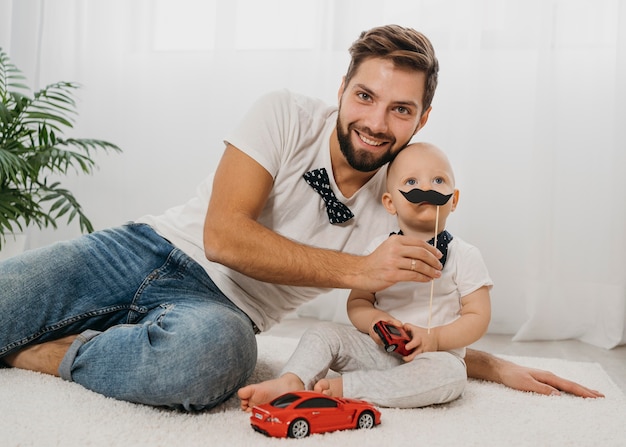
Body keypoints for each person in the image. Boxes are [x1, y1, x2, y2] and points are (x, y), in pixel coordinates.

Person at [0, 25, 603, 411]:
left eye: (400, 109)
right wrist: (360, 268)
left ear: (420, 119)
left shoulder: (407, 202)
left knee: (209, 363)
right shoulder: (284, 113)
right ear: (341, 89)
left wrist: (493, 363)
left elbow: (417, 326)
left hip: (222, 312)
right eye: (365, 96)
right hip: (143, 249)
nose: (375, 121)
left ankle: (52, 355)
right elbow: (223, 236)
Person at [238, 142, 493, 409]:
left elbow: (477, 316)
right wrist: (374, 321)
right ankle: (292, 380)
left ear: (454, 199)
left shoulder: (465, 255)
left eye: (438, 180)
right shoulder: (379, 250)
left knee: (452, 376)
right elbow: (358, 301)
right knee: (323, 333)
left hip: (434, 357)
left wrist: (437, 338)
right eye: (411, 180)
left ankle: (347, 389)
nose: (426, 188)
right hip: (378, 351)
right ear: (390, 202)